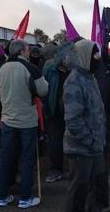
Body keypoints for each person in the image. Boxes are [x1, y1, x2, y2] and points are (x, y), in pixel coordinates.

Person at [0, 39, 48, 209]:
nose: (29, 51)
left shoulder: (1, 68)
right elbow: (43, 90)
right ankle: (25, 198)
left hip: (8, 120)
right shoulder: (30, 68)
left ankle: (3, 196)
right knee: (27, 158)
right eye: (27, 48)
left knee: (6, 158)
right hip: (27, 121)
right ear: (22, 51)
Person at [63, 40, 106, 212]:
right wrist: (92, 140)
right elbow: (73, 121)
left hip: (95, 147)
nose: (98, 58)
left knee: (96, 190)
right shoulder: (74, 81)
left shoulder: (90, 77)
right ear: (84, 56)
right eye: (95, 55)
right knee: (78, 193)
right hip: (81, 149)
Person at [42, 42, 69, 183]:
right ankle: (56, 169)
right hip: (54, 112)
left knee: (74, 140)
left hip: (72, 112)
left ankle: (75, 170)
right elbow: (43, 89)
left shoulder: (77, 70)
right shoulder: (50, 68)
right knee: (55, 142)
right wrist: (46, 107)